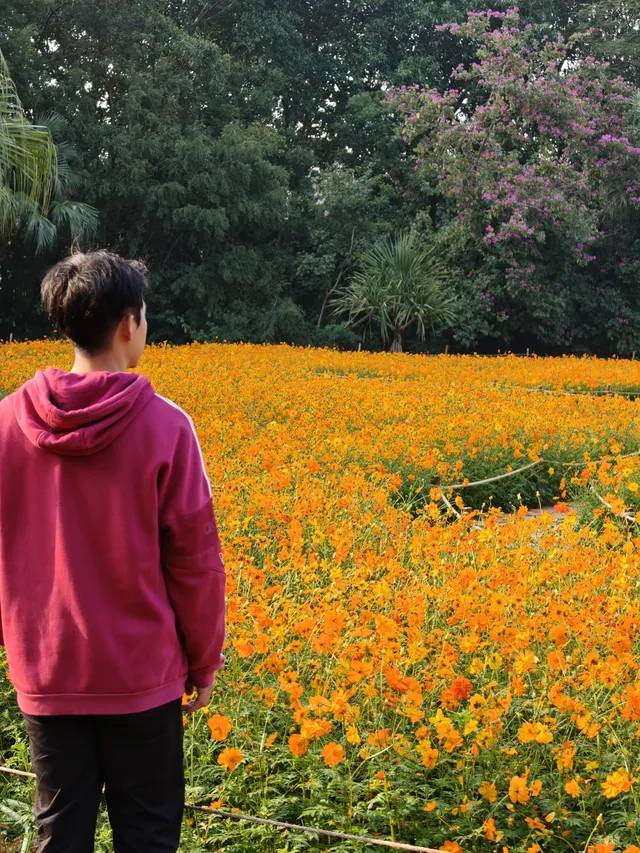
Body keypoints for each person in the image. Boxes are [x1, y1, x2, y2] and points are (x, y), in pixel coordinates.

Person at [0, 250, 226, 853]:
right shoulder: (167, 426)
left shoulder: (4, 425)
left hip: (46, 671)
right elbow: (196, 562)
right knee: (148, 833)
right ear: (130, 323)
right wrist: (203, 662)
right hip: (140, 679)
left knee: (59, 833)